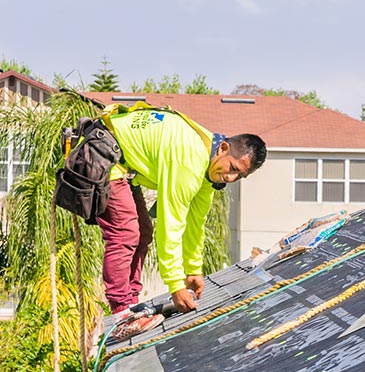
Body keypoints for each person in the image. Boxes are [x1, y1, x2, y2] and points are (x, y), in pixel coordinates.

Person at [97, 106, 266, 340]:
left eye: (240, 176)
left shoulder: (210, 162)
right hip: (102, 153)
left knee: (143, 232)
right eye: (233, 168)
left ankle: (132, 306)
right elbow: (171, 224)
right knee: (126, 233)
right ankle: (121, 317)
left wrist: (193, 270)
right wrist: (176, 285)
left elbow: (195, 223)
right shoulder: (191, 157)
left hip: (122, 162)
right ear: (224, 148)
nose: (230, 178)